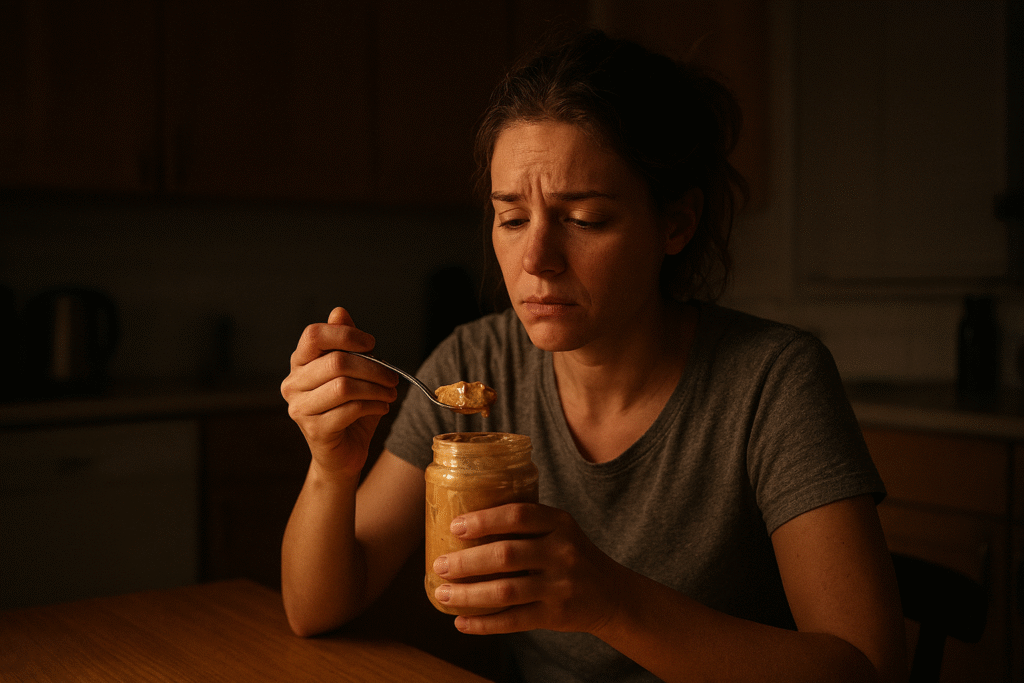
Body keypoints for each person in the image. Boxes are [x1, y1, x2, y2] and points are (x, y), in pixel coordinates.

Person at [280, 28, 906, 683]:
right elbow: (316, 608)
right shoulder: (476, 361)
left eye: (584, 219)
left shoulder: (772, 381)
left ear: (676, 223)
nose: (536, 261)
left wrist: (612, 600)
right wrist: (331, 467)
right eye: (512, 218)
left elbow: (867, 668)